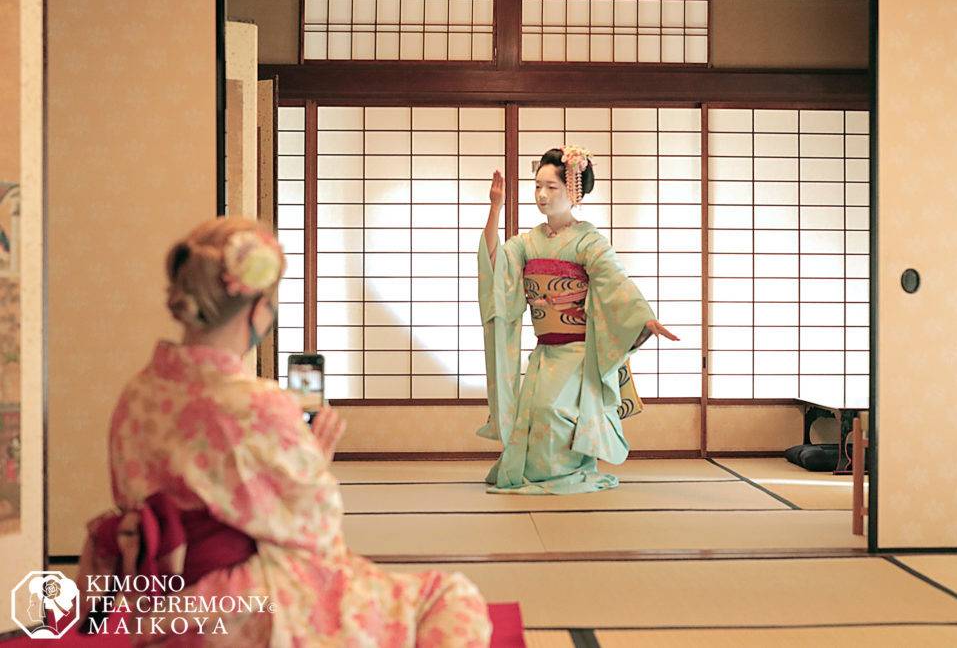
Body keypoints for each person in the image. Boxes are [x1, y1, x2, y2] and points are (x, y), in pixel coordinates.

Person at [79, 217, 491, 646]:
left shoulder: (137, 394)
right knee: (448, 597)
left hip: (159, 616)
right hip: (249, 613)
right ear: (258, 308)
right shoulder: (256, 404)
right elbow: (317, 528)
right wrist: (315, 458)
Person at [479, 146, 678, 495]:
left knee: (552, 411)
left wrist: (643, 318)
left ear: (573, 191)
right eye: (537, 186)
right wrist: (495, 208)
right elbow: (497, 265)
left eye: (551, 188)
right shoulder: (527, 242)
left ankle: (563, 472)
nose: (542, 195)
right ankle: (539, 473)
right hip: (545, 353)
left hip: (577, 354)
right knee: (534, 415)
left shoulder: (589, 241)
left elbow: (615, 280)